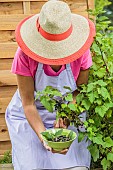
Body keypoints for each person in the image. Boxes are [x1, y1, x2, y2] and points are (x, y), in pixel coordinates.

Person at [5, 0, 96, 170]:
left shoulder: (81, 53)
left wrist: (66, 115)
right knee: (33, 166)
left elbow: (77, 93)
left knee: (73, 166)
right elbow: (28, 103)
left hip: (66, 112)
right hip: (29, 116)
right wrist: (44, 137)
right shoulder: (24, 55)